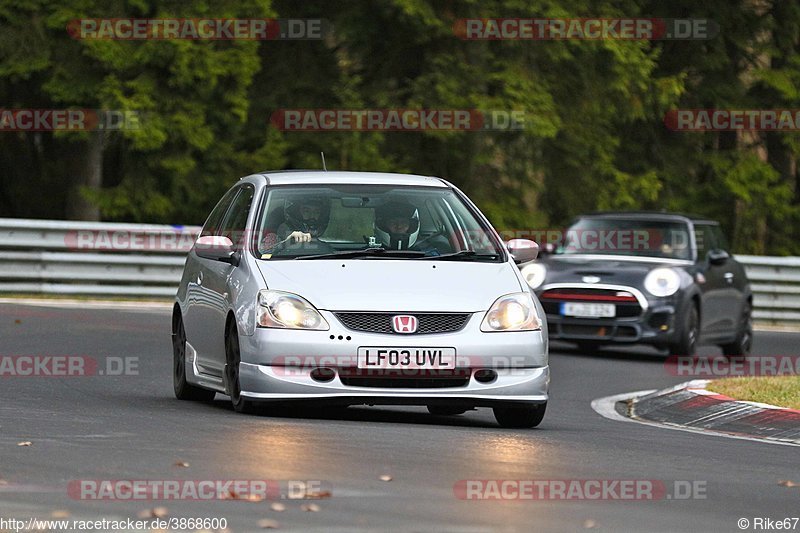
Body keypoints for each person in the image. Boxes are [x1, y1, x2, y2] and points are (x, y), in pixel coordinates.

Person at [373, 199, 450, 255]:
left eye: (404, 223)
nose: (399, 226)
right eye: (393, 222)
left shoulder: (429, 254)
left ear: (411, 226)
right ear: (383, 225)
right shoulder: (368, 253)